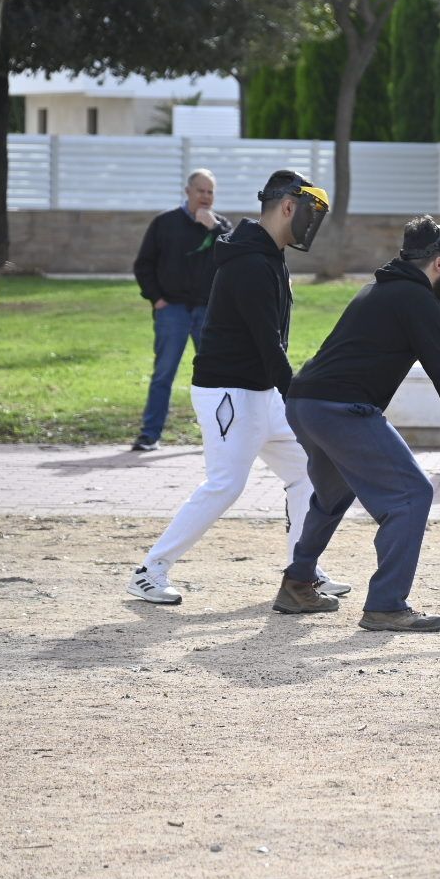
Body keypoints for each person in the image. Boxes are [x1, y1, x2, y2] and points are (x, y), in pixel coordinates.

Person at [281, 217, 440, 633]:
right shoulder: (419, 301)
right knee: (411, 494)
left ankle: (298, 583)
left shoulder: (377, 288)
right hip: (343, 408)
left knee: (332, 492)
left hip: (305, 402)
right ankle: (386, 605)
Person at [127, 170, 351, 606]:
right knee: (226, 484)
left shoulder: (267, 254)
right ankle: (149, 572)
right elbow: (268, 342)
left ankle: (302, 572)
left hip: (261, 392)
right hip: (229, 393)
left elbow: (271, 344)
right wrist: (301, 399)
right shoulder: (251, 261)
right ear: (288, 207)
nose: (310, 224)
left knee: (308, 473)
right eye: (307, 213)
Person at [131, 169, 231, 450]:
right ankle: (150, 435)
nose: (206, 196)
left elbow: (237, 259)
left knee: (216, 376)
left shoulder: (222, 226)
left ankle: (220, 436)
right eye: (201, 190)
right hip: (171, 309)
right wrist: (157, 299)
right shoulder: (165, 223)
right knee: (164, 374)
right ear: (187, 191)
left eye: (210, 191)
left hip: (208, 313)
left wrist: (215, 228)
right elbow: (144, 264)